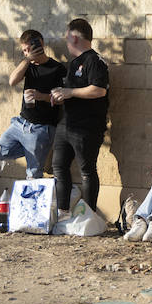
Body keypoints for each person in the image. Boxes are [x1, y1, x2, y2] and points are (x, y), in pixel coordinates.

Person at [48, 18, 109, 215]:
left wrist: (70, 93)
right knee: (59, 167)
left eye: (67, 38)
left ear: (74, 37)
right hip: (67, 124)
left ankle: (90, 215)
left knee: (87, 171)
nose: (66, 42)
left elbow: (99, 90)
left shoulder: (94, 60)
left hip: (87, 127)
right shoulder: (73, 63)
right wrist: (60, 96)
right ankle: (63, 213)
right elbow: (73, 91)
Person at [0, 29, 66, 176]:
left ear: (40, 43)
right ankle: (34, 152)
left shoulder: (57, 68)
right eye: (24, 51)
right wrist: (27, 60)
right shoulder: (28, 66)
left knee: (33, 174)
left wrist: (41, 96)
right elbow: (12, 81)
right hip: (20, 123)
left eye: (29, 49)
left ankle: (38, 156)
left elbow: (62, 100)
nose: (26, 53)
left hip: (41, 128)